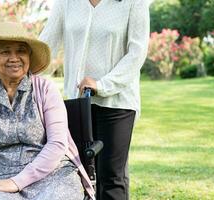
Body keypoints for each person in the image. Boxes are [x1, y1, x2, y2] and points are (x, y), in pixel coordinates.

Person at [0, 21, 95, 200]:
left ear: (29, 56)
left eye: (21, 50)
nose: (14, 57)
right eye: (5, 51)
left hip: (53, 176)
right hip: (1, 180)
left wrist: (17, 182)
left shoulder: (45, 89)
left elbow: (57, 144)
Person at [39, 0, 150, 199]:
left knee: (111, 177)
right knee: (78, 175)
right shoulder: (67, 3)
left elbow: (137, 53)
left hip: (117, 102)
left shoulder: (134, 3)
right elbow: (46, 44)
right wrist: (17, 73)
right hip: (78, 103)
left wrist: (102, 84)